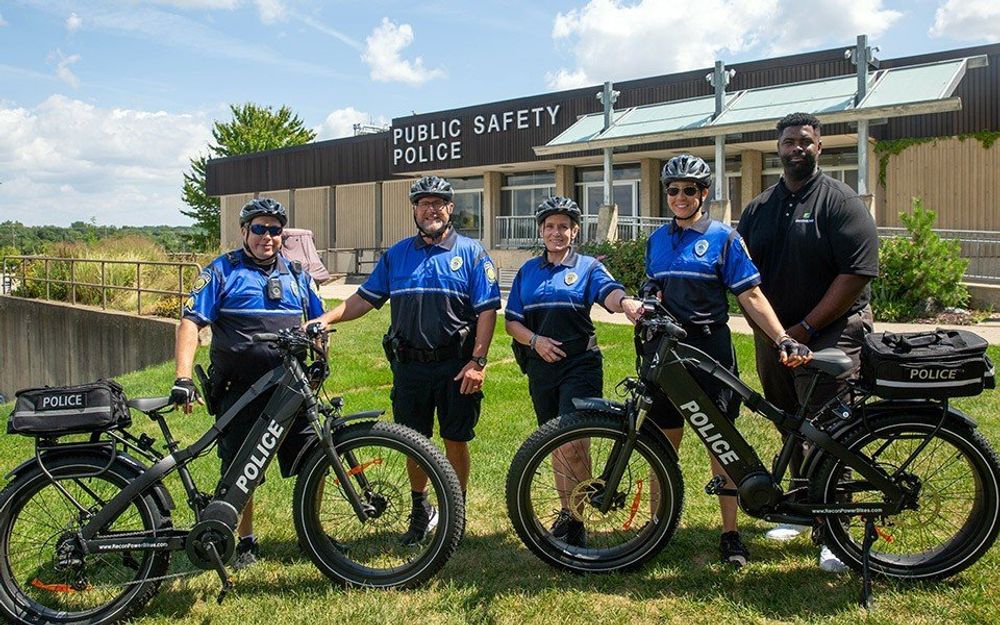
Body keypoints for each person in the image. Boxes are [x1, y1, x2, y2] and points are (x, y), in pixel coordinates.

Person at [637, 154, 811, 567]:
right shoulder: (658, 239)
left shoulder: (723, 238)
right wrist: (646, 296)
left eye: (689, 190)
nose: (680, 197)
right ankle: (655, 527)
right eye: (673, 190)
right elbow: (651, 282)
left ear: (704, 194)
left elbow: (750, 294)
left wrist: (782, 337)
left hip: (708, 350)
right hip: (666, 351)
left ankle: (730, 534)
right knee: (661, 443)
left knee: (721, 444)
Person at [312, 175, 500, 546]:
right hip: (409, 366)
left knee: (454, 440)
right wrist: (326, 318)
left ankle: (453, 514)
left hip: (455, 365)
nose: (431, 209)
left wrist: (478, 361)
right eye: (423, 203)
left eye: (438, 203)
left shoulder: (472, 253)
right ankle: (420, 509)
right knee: (413, 442)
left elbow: (487, 311)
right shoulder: (397, 254)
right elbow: (363, 299)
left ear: (450, 209)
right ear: (414, 209)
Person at [737, 112, 879, 572]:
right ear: (776, 147)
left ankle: (835, 533)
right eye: (788, 141)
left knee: (826, 429)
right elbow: (742, 279)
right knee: (790, 422)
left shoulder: (840, 202)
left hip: (832, 331)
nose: (796, 148)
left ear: (819, 147)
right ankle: (803, 508)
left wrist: (805, 332)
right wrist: (777, 333)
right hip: (778, 335)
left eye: (805, 141)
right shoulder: (758, 208)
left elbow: (856, 274)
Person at [171, 197, 325, 570]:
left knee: (316, 460)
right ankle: (245, 541)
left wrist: (321, 356)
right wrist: (183, 375)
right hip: (240, 390)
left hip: (290, 387)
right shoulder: (222, 271)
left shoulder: (297, 274)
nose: (267, 237)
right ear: (244, 232)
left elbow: (318, 323)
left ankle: (314, 534)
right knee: (241, 471)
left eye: (274, 230)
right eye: (259, 229)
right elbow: (191, 323)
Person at [504, 196, 643, 547]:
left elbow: (609, 293)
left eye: (563, 226)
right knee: (554, 442)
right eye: (550, 227)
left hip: (580, 365)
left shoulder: (588, 267)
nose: (556, 232)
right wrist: (535, 342)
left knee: (576, 443)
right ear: (541, 231)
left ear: (574, 230)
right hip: (540, 367)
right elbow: (512, 322)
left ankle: (577, 521)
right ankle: (567, 513)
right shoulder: (528, 271)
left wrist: (625, 303)